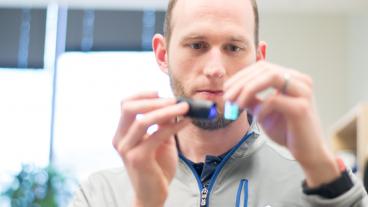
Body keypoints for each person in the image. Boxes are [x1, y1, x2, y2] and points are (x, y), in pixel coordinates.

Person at [70, 0, 368, 206]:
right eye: (197, 45)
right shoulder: (99, 194)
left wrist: (319, 163)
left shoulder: (319, 186)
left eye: (233, 47)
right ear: (162, 54)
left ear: (258, 58)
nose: (215, 68)